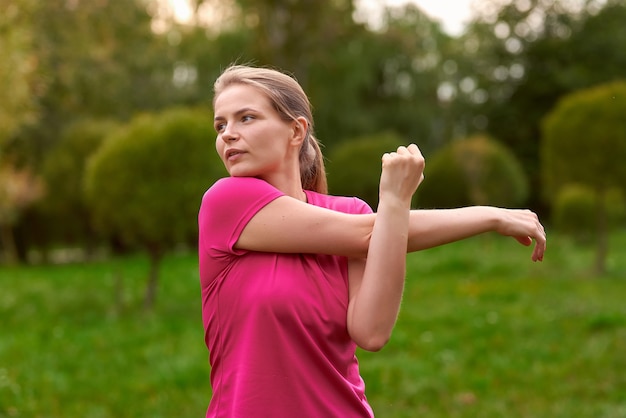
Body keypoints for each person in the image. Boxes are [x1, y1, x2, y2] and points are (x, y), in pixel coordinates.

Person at [198, 64, 546, 418]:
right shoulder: (226, 203)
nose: (228, 134)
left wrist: (394, 205)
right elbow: (369, 234)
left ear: (296, 131)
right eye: (220, 124)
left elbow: (372, 331)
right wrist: (488, 215)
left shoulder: (351, 211)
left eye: (246, 118)